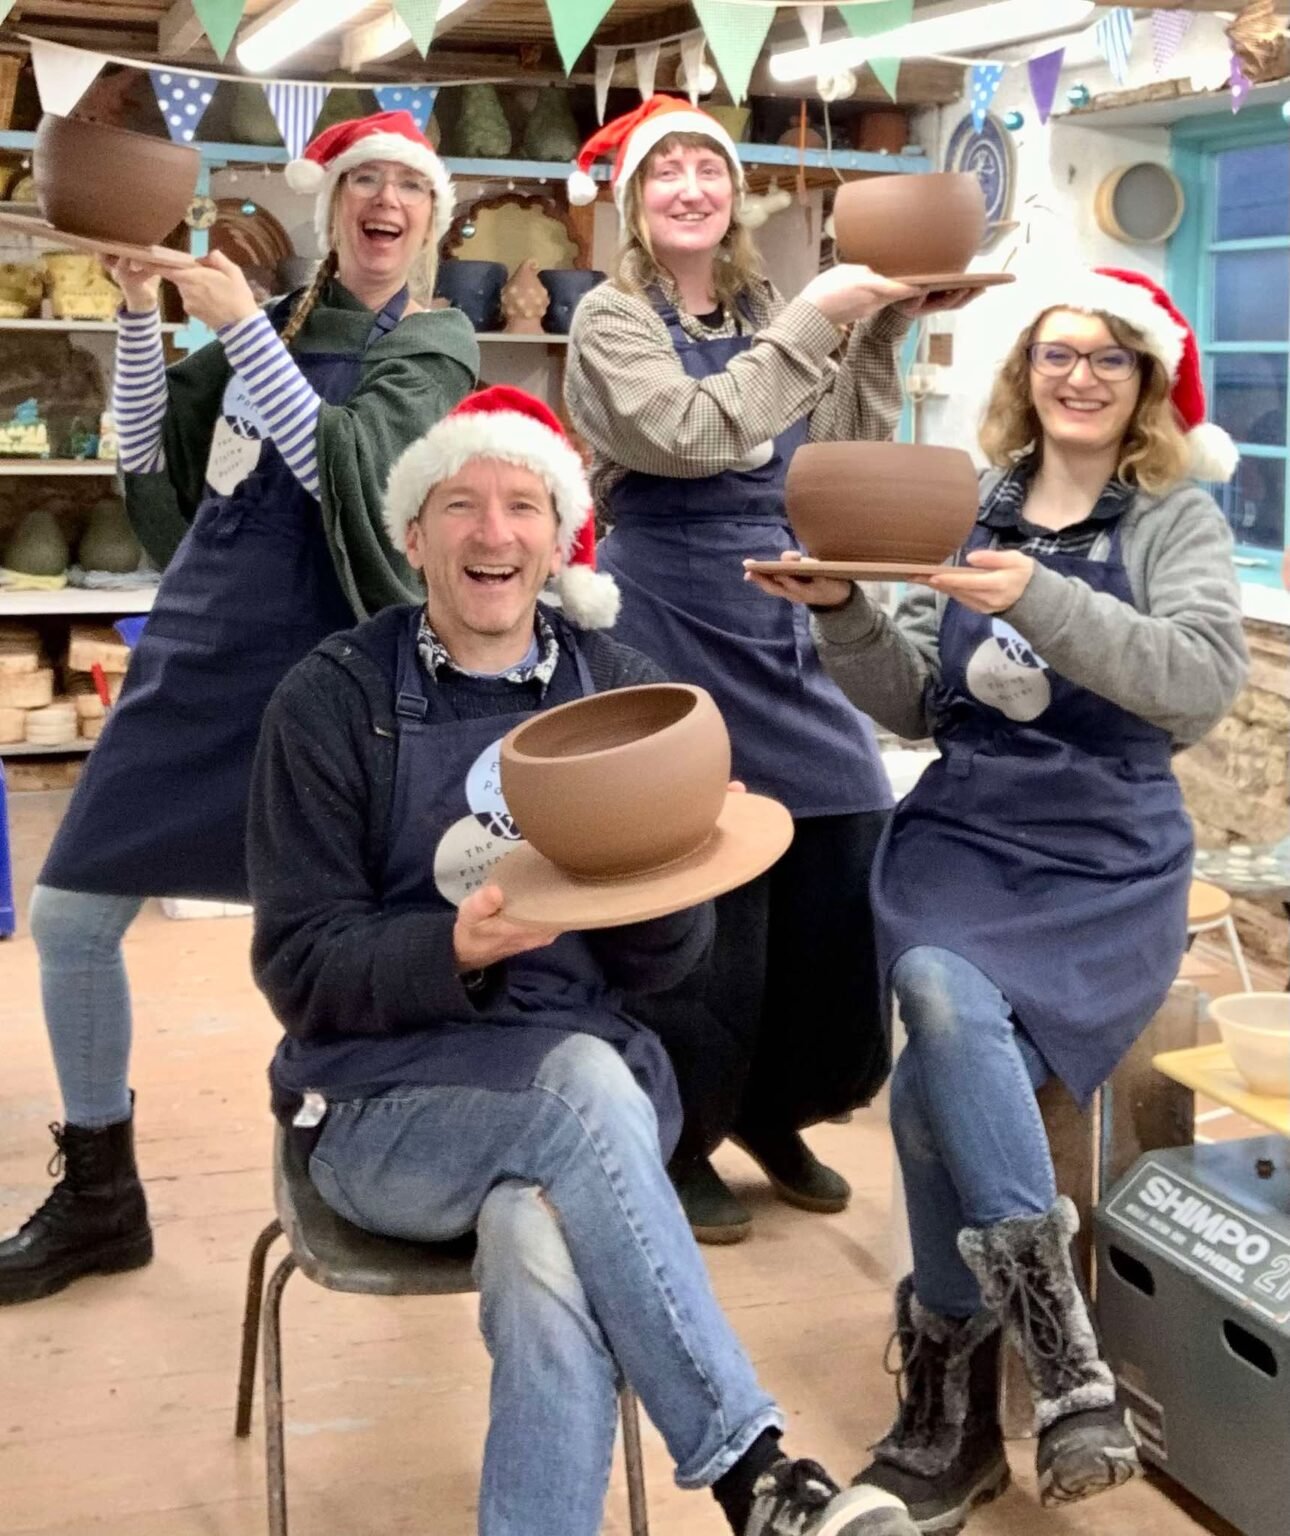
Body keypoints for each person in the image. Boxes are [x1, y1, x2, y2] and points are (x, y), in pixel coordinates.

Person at [245, 384, 919, 1536]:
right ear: (414, 536)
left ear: (561, 539)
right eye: (460, 505)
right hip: (382, 1106)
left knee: (541, 1228)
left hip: (584, 1078)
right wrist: (449, 948)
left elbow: (663, 966)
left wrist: (676, 862)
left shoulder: (619, 689)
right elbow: (298, 964)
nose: (493, 534)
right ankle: (755, 1475)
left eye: (523, 505)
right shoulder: (334, 702)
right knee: (581, 1097)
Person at [749, 267, 1249, 1531]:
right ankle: (1062, 1353)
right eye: (1054, 354)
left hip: (1105, 851)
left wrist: (1041, 596)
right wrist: (845, 612)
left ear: (1144, 384)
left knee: (935, 1056)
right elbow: (923, 698)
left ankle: (952, 1420)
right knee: (932, 982)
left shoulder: (1170, 520)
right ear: (1024, 372)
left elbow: (1193, 686)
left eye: (1107, 359)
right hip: (969, 834)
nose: (1077, 377)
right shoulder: (974, 506)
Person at [0, 111, 479, 1306]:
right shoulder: (287, 323)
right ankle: (102, 1191)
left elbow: (358, 487)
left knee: (354, 939)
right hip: (200, 648)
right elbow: (148, 467)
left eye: (404, 188)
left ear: (430, 216)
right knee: (67, 922)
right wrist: (133, 314)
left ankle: (407, 1162)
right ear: (333, 209)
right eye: (358, 181)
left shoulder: (437, 339)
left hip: (334, 672)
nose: (381, 201)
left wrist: (235, 330)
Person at [563, 95, 976, 1242]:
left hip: (782, 608)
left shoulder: (757, 305)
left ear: (734, 192)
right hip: (672, 618)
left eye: (708, 167)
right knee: (709, 884)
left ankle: (777, 1105)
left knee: (843, 836)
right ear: (637, 204)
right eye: (665, 172)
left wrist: (882, 327)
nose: (690, 186)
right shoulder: (611, 320)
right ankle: (682, 1125)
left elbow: (843, 442)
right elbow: (686, 435)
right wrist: (817, 317)